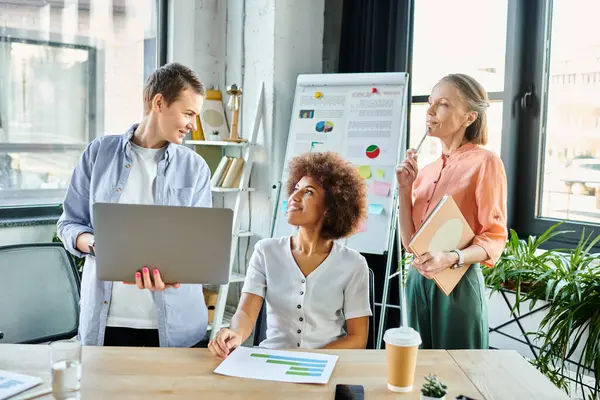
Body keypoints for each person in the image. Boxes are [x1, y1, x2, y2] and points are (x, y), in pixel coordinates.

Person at [57, 62, 212, 347]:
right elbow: (68, 225)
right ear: (159, 102)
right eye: (188, 113)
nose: (193, 124)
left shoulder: (195, 168)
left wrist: (177, 272)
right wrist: (95, 245)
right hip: (108, 323)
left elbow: (198, 247)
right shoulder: (99, 153)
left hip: (176, 326)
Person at [208, 152, 371, 358]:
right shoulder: (266, 251)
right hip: (271, 359)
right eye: (295, 189)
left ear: (331, 207)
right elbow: (246, 313)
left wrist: (311, 359)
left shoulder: (353, 264)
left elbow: (358, 338)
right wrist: (235, 334)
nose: (294, 197)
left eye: (308, 192)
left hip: (325, 364)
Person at [396, 73, 508, 350]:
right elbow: (410, 245)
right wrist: (404, 189)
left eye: (442, 104)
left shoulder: (485, 162)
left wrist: (451, 257)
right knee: (418, 373)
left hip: (458, 281)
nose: (430, 111)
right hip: (417, 280)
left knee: (459, 375)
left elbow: (494, 238)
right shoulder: (426, 171)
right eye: (430, 103)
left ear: (469, 117)